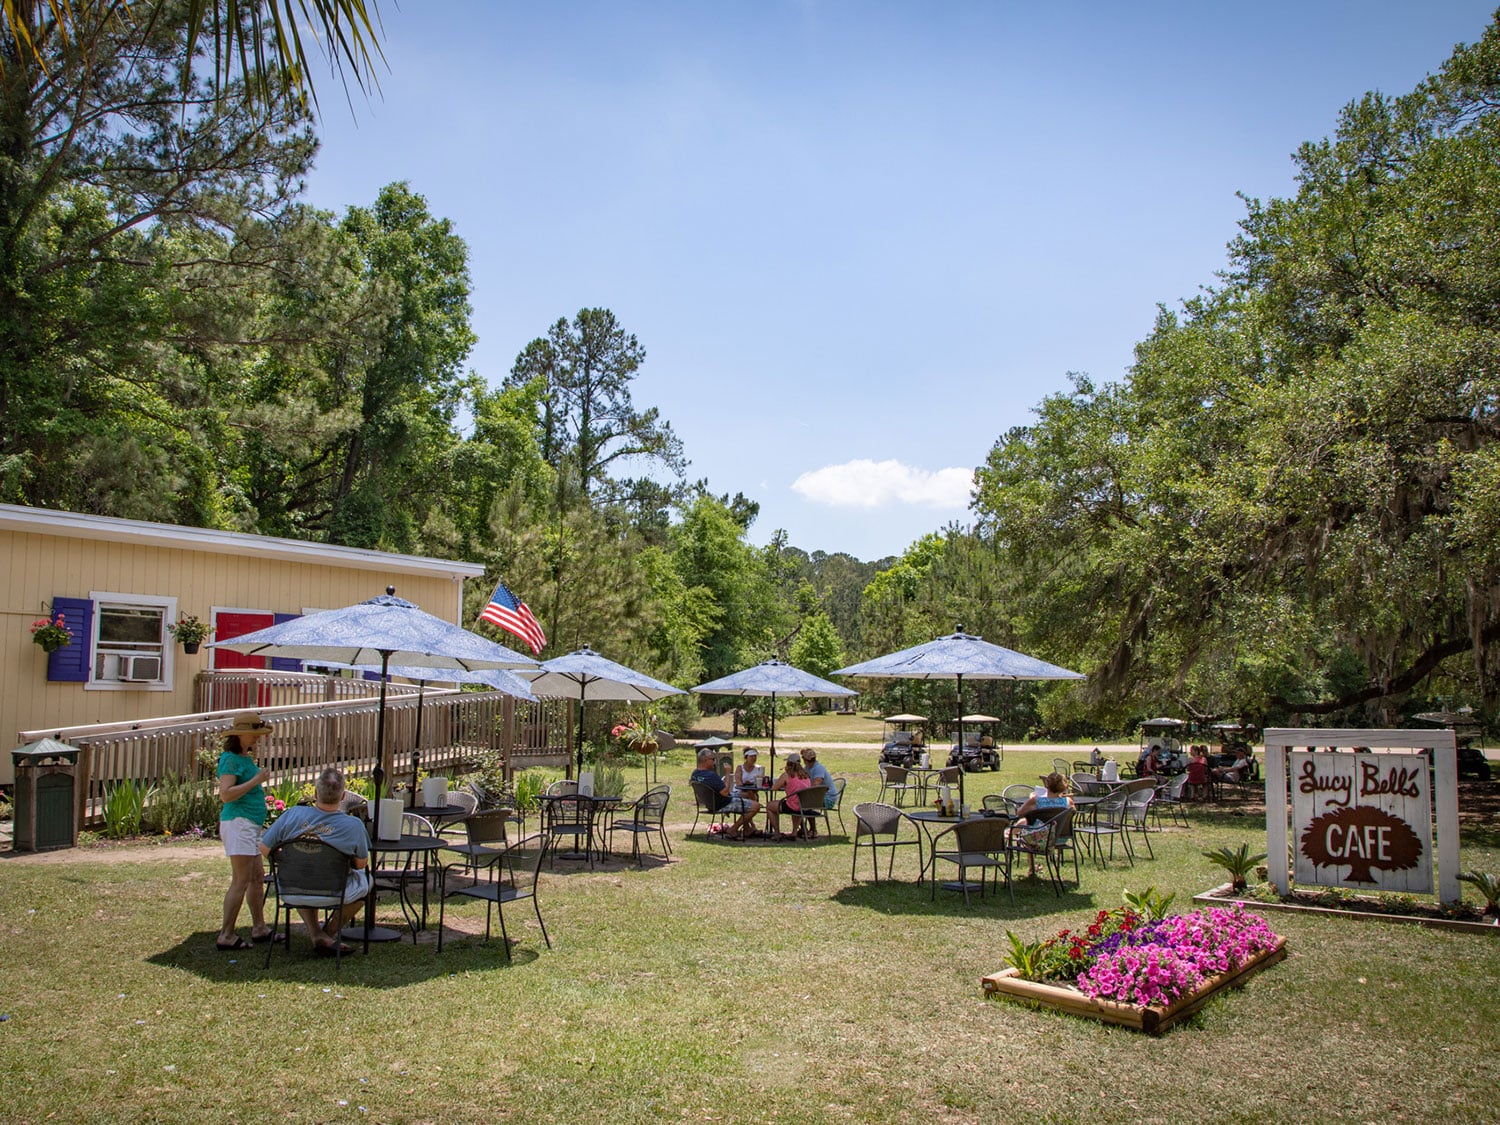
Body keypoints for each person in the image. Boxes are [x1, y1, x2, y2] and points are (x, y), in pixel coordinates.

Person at [259, 767, 371, 956]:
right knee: (367, 883)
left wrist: (289, 858)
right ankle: (326, 934)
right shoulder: (354, 826)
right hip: (334, 892)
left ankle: (318, 935)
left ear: (314, 793)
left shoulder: (291, 815)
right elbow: (361, 865)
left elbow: (264, 848)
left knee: (305, 872)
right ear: (343, 796)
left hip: (291, 890)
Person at [215, 711, 277, 950]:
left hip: (250, 824)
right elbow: (226, 794)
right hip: (238, 823)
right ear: (238, 734)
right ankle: (226, 934)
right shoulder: (230, 759)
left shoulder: (244, 758)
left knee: (256, 878)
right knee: (240, 880)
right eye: (252, 735)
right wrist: (256, 781)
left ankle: (259, 927)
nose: (256, 739)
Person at [689, 749, 757, 840]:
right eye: (713, 759)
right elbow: (725, 792)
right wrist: (728, 773)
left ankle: (747, 828)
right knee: (756, 806)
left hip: (709, 802)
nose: (715, 762)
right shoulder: (711, 775)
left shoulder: (695, 773)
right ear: (705, 760)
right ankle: (733, 829)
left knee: (746, 795)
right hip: (722, 803)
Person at [766, 755, 813, 839]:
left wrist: (784, 785)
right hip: (804, 805)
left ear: (788, 764)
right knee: (796, 804)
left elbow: (774, 788)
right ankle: (794, 832)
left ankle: (777, 832)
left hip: (792, 806)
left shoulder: (786, 775)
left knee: (770, 806)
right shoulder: (806, 776)